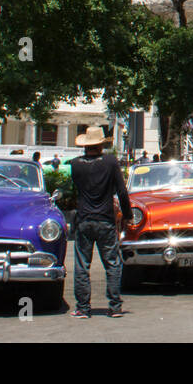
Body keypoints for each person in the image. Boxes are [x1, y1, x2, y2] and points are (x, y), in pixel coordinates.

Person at [67, 126, 132, 318]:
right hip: (105, 219)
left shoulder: (75, 164)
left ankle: (83, 308)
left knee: (82, 264)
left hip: (85, 219)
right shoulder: (110, 162)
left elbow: (75, 191)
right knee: (112, 263)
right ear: (101, 145)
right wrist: (127, 215)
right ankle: (114, 306)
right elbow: (121, 192)